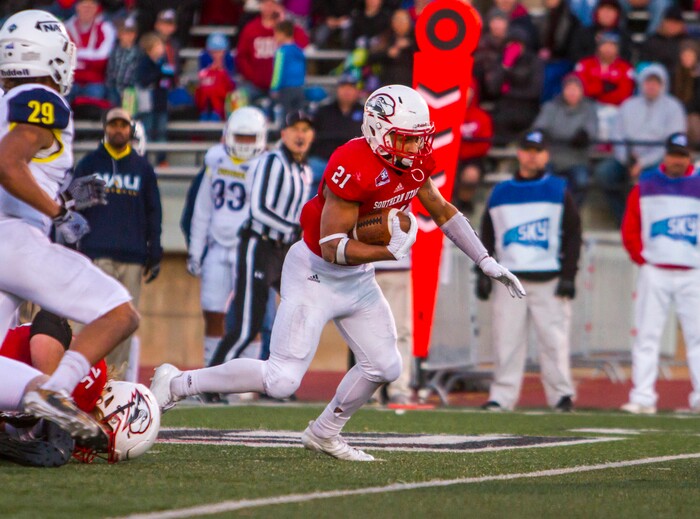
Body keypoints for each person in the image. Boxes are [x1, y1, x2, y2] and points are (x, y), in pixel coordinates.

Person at [151, 85, 525, 461]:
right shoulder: (352, 163)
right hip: (315, 272)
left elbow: (443, 211)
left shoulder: (414, 162)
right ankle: (178, 383)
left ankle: (324, 432)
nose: (414, 149)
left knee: (385, 365)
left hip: (357, 278)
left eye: (418, 140)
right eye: (404, 140)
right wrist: (387, 250)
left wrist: (485, 260)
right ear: (378, 131)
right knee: (281, 380)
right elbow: (332, 246)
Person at [0, 11, 139, 445]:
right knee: (119, 313)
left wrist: (59, 198)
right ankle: (58, 391)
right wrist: (56, 211)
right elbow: (8, 162)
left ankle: (34, 392)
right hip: (13, 238)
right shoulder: (42, 96)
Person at [478, 130, 581, 412]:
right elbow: (486, 235)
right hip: (509, 279)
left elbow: (573, 233)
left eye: (538, 150)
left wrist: (569, 275)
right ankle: (502, 396)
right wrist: (482, 273)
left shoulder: (559, 189)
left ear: (546, 155)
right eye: (527, 149)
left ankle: (561, 395)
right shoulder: (500, 192)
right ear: (519, 153)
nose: (532, 155)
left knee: (554, 341)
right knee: (505, 341)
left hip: (549, 278)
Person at [208, 110, 314, 368]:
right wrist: (293, 228)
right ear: (283, 134)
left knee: (301, 311)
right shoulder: (272, 162)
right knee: (248, 325)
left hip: (284, 250)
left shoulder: (304, 170)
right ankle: (207, 383)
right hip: (259, 245)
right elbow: (259, 209)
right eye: (295, 129)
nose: (300, 135)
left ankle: (280, 377)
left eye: (306, 129)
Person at [73, 107, 163, 379]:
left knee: (124, 322)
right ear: (105, 128)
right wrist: (71, 246)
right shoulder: (90, 163)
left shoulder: (142, 168)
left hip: (133, 256)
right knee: (94, 317)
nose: (118, 130)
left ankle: (116, 380)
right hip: (97, 252)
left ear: (130, 130)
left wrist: (154, 249)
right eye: (113, 125)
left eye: (123, 125)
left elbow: (153, 211)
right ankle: (84, 376)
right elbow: (74, 207)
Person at [620, 133, 700, 414]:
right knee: (646, 335)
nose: (677, 160)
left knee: (697, 337)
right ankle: (642, 397)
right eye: (673, 154)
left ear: (688, 156)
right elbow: (630, 225)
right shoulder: (646, 184)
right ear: (666, 155)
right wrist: (642, 257)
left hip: (693, 271)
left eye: (682, 155)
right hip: (655, 270)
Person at [187, 107, 268, 367]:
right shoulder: (215, 161)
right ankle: (211, 371)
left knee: (250, 317)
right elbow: (202, 210)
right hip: (217, 246)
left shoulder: (267, 165)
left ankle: (246, 380)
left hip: (250, 249)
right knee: (212, 311)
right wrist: (195, 251)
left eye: (249, 138)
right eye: (240, 137)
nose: (244, 144)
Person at [593, 64, 686, 225]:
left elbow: (672, 144)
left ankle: (647, 222)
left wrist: (642, 163)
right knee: (603, 174)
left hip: (658, 159)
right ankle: (624, 218)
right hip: (627, 157)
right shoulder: (628, 105)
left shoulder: (673, 108)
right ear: (642, 83)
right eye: (648, 81)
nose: (651, 86)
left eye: (656, 82)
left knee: (648, 179)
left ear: (663, 84)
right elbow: (617, 135)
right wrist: (627, 159)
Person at [533, 74, 598, 206]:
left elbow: (591, 130)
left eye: (576, 89)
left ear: (582, 91)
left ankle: (571, 212)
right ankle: (549, 210)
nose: (572, 92)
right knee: (544, 181)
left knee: (582, 182)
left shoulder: (589, 108)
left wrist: (583, 136)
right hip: (552, 156)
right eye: (569, 89)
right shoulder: (551, 106)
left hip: (577, 158)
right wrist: (544, 135)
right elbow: (540, 127)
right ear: (563, 90)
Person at [235, 0, 309, 102]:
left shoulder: (284, 28)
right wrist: (253, 77)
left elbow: (302, 42)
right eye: (265, 3)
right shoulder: (251, 28)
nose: (268, 7)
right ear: (260, 6)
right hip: (255, 85)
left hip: (281, 87)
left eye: (272, 4)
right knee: (239, 97)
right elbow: (241, 56)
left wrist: (283, 20)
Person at [64, 0, 116, 103]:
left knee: (94, 97)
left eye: (91, 5)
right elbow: (63, 57)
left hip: (94, 81)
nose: (87, 9)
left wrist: (77, 56)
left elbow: (102, 58)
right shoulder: (66, 28)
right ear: (77, 7)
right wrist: (90, 57)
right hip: (70, 80)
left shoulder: (106, 28)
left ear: (97, 8)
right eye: (84, 5)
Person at [135, 32, 175, 166]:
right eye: (158, 45)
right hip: (148, 105)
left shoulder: (163, 62)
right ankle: (144, 160)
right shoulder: (144, 64)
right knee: (147, 131)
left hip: (161, 103)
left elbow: (169, 79)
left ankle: (161, 159)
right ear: (150, 49)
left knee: (162, 132)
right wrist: (159, 74)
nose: (162, 48)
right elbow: (144, 81)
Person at [270, 20, 307, 124]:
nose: (275, 36)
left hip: (285, 89)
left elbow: (277, 71)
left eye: (276, 33)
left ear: (282, 33)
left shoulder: (281, 51)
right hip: (299, 88)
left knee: (286, 118)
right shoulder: (299, 50)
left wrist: (274, 88)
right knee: (298, 117)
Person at [195, 32, 236, 121]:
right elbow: (200, 92)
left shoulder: (226, 72)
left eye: (220, 52)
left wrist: (222, 72)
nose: (217, 55)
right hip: (206, 108)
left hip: (221, 109)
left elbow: (230, 88)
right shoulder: (204, 73)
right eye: (213, 52)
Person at [105, 15, 140, 108]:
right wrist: (110, 86)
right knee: (113, 114)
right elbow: (110, 70)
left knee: (128, 117)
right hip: (114, 89)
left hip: (130, 91)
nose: (129, 36)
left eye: (131, 33)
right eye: (125, 33)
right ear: (119, 34)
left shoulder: (138, 52)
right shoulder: (114, 51)